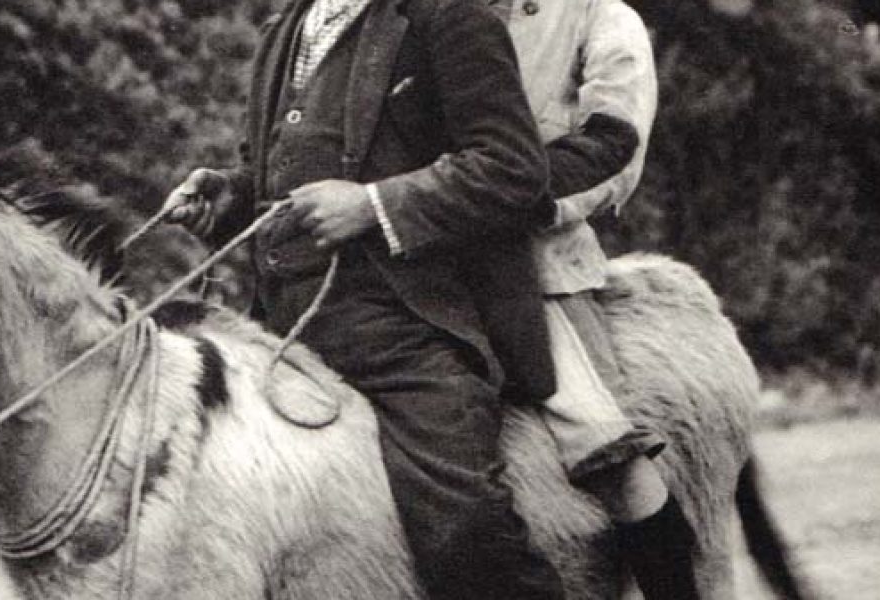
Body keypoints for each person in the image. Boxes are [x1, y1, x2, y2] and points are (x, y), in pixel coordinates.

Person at [160, 0, 567, 597]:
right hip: (278, 340)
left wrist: (373, 206)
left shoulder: (450, 16)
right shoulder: (284, 29)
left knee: (461, 526)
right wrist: (230, 200)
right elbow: (276, 183)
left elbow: (513, 168)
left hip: (411, 336)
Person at [495, 1, 700, 598]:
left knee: (600, 443)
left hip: (539, 265)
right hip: (423, 257)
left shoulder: (601, 18)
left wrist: (520, 199)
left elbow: (616, 149)